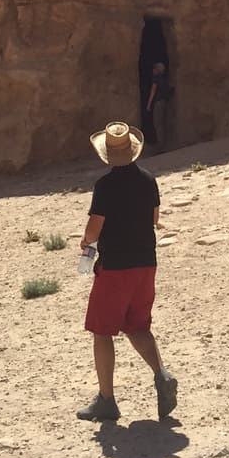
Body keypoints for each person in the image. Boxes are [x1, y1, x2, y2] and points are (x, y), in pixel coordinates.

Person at [76, 121, 178, 424]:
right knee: (137, 325)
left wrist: (85, 242)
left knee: (102, 331)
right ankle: (162, 375)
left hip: (116, 268)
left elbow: (95, 229)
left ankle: (107, 400)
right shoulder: (149, 180)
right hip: (146, 264)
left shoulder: (104, 187)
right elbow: (154, 218)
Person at [142, 61, 172, 150]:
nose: (153, 70)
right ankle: (163, 143)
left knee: (158, 124)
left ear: (157, 70)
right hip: (164, 102)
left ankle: (160, 146)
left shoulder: (156, 79)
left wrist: (148, 104)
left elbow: (153, 91)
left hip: (158, 103)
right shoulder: (164, 79)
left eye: (154, 68)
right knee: (162, 123)